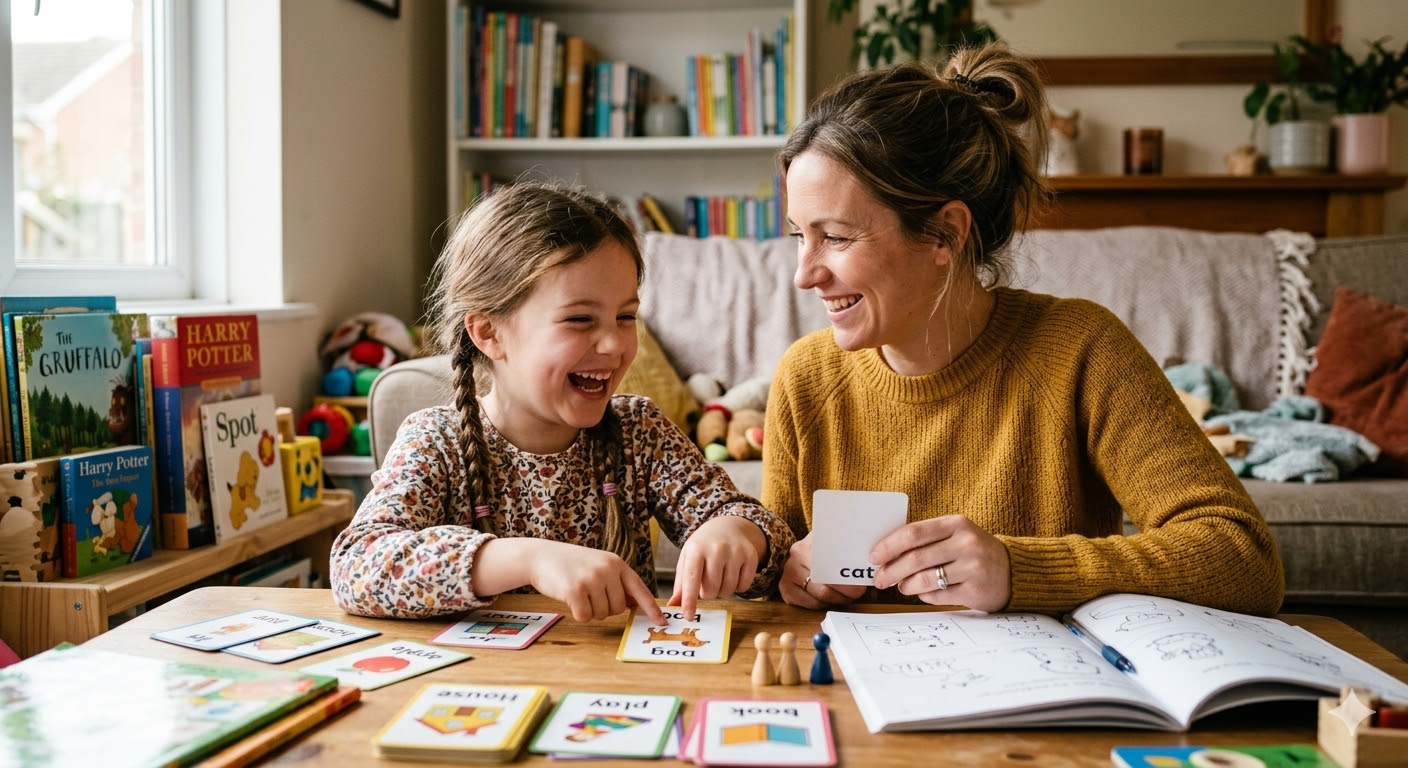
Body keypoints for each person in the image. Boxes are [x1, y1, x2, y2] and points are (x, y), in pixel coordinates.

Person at [766, 44, 1284, 617]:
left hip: (1054, 698)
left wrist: (1023, 569)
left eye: (835, 237)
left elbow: (1246, 561)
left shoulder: (1081, 350)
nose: (804, 274)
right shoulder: (805, 378)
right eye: (798, 236)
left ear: (945, 233)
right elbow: (776, 570)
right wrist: (788, 573)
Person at [331, 181, 793, 624]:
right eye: (579, 319)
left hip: (615, 689)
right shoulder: (435, 441)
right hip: (482, 689)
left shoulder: (640, 431)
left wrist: (738, 533)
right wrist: (527, 559)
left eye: (626, 316)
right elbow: (356, 566)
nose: (613, 344)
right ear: (489, 332)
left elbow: (762, 535)